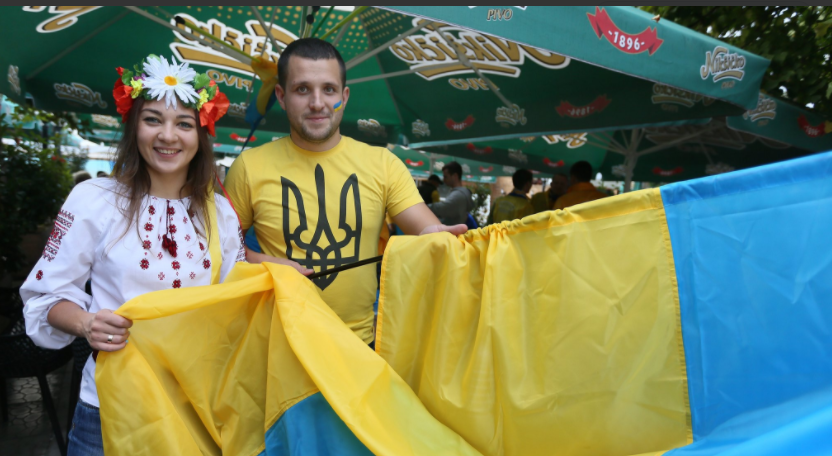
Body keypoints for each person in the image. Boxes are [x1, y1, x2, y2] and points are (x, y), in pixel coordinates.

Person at [20, 55, 243, 455]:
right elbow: (45, 296)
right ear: (133, 125)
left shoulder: (220, 213)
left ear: (201, 135)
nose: (168, 136)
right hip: (108, 408)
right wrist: (87, 323)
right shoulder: (93, 199)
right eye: (153, 119)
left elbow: (237, 301)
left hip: (195, 405)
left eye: (184, 124)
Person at [224, 38, 466, 348]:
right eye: (302, 89)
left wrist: (433, 236)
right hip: (276, 347)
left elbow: (425, 228)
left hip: (359, 349)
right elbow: (221, 252)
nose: (317, 103)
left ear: (344, 96)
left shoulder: (383, 164)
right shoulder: (248, 167)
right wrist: (266, 264)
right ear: (282, 96)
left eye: (329, 89)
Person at [428, 161, 474, 225]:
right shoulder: (462, 193)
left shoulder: (458, 195)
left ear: (455, 176)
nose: (444, 180)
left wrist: (424, 207)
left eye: (446, 177)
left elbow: (443, 208)